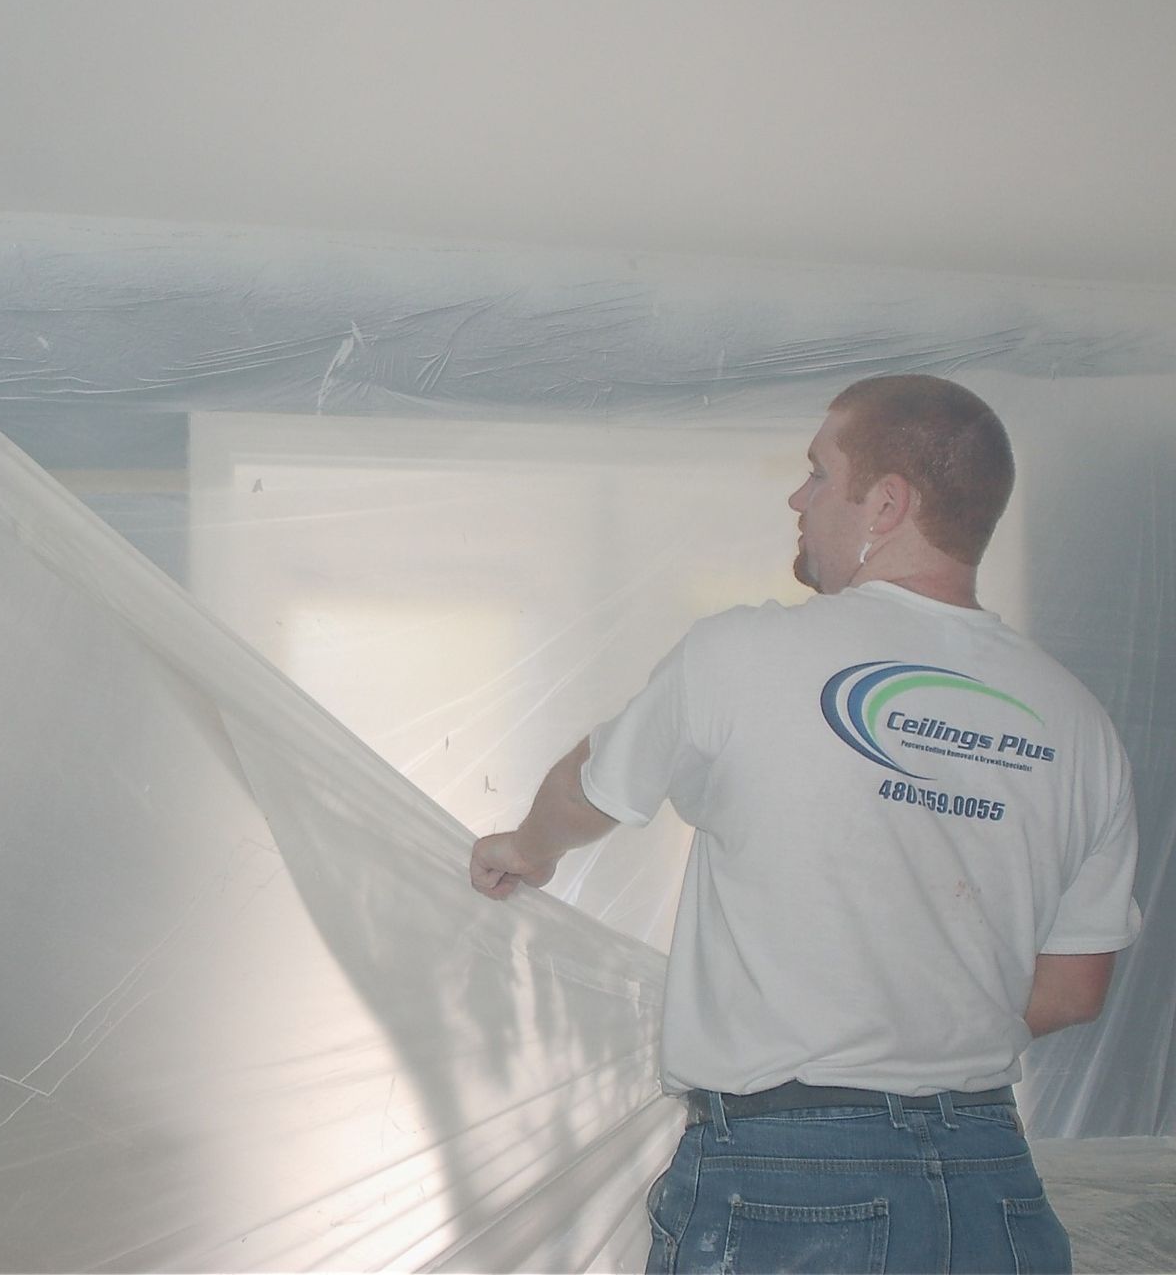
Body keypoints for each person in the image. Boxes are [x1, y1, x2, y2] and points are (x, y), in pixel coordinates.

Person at [469, 375, 1140, 1275]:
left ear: (888, 503)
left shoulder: (745, 654)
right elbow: (1071, 991)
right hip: (993, 1180)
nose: (798, 496)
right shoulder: (1079, 724)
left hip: (791, 1180)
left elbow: (592, 790)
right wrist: (923, 1021)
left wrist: (524, 850)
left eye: (820, 473)